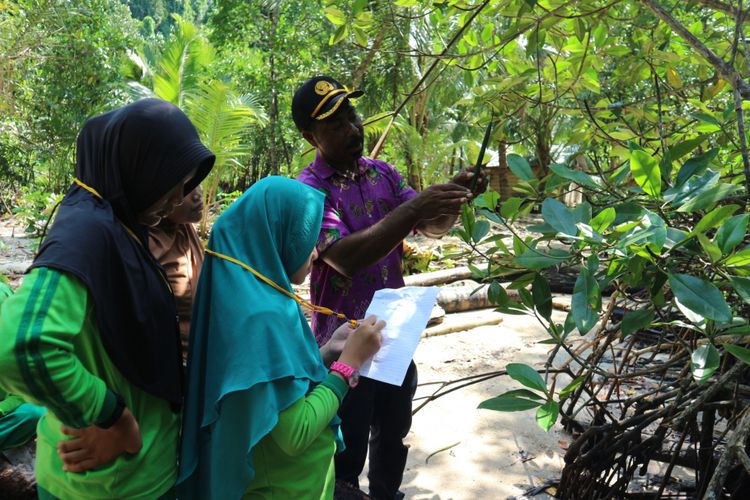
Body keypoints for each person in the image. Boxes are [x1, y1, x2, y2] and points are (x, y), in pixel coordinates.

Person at [0, 98, 215, 499]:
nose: (176, 199)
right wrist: (114, 418)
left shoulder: (119, 224)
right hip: (109, 482)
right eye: (170, 186)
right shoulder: (86, 232)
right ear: (137, 168)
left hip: (134, 473)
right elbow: (19, 346)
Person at [293, 76, 488, 499]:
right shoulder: (309, 191)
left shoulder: (383, 173)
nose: (353, 128)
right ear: (310, 135)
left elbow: (429, 228)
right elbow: (343, 255)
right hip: (341, 342)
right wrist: (416, 206)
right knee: (345, 445)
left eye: (352, 115)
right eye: (336, 122)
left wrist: (451, 199)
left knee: (393, 430)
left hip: (395, 333)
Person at [178, 176, 385, 499]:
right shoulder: (261, 318)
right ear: (276, 236)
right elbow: (295, 433)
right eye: (306, 239)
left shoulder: (250, 298)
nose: (315, 253)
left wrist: (328, 351)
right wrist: (347, 366)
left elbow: (269, 386)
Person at [149, 185, 205, 359]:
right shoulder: (143, 245)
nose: (198, 195)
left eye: (198, 182)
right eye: (187, 187)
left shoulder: (184, 229)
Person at [0, 282, 46, 452]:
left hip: (5, 412)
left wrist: (1, 409)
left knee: (34, 412)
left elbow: (24, 393)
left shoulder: (19, 345)